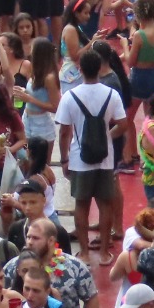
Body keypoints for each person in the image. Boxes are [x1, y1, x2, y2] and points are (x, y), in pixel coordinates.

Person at [55, 49, 125, 263]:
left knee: (81, 205)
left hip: (79, 159)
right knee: (105, 204)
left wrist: (65, 159)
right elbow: (123, 124)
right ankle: (104, 252)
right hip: (105, 158)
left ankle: (84, 252)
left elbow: (64, 131)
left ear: (80, 69)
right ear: (100, 67)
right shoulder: (111, 95)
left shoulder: (70, 96)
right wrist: (107, 136)